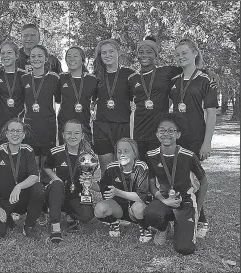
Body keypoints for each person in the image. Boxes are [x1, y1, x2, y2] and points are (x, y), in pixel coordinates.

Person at [170, 38, 218, 238]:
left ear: (195, 53)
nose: (181, 57)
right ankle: (189, 217)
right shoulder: (174, 80)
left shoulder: (206, 80)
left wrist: (207, 142)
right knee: (180, 180)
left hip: (196, 137)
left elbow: (211, 113)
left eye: (185, 53)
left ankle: (202, 218)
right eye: (178, 54)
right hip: (176, 139)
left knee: (197, 180)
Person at [144, 113, 208, 255]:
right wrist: (164, 200)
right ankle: (163, 228)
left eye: (171, 130)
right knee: (150, 213)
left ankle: (186, 223)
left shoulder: (189, 156)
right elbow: (151, 185)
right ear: (156, 133)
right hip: (165, 199)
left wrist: (198, 207)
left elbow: (204, 182)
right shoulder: (151, 156)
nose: (166, 134)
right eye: (162, 130)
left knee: (184, 248)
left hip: (185, 202)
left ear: (178, 134)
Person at [0, 118, 45, 240]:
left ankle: (29, 225)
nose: (15, 134)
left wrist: (19, 186)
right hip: (3, 200)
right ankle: (8, 217)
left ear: (23, 135)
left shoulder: (28, 150)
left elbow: (34, 176)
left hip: (22, 198)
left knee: (39, 189)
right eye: (12, 131)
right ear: (6, 134)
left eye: (18, 131)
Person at [128, 35, 184, 162]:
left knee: (161, 170)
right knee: (142, 169)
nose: (144, 55)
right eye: (141, 52)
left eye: (149, 52)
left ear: (156, 55)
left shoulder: (167, 71)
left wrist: (210, 74)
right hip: (139, 131)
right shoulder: (132, 78)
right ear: (137, 55)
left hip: (160, 131)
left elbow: (189, 68)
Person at [43, 119, 95, 243]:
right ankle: (55, 228)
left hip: (75, 194)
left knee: (87, 216)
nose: (72, 136)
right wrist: (55, 178)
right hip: (57, 193)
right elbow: (46, 166)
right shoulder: (56, 152)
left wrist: (88, 180)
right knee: (57, 185)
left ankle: (70, 215)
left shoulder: (88, 155)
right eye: (69, 133)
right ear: (63, 135)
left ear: (82, 135)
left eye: (76, 133)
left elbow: (89, 174)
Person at [94, 137, 152, 243]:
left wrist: (117, 192)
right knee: (99, 209)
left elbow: (141, 197)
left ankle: (145, 227)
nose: (122, 155)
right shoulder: (112, 167)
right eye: (119, 152)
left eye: (126, 151)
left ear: (134, 154)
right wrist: (87, 183)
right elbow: (100, 187)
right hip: (119, 209)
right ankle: (114, 222)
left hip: (136, 208)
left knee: (138, 208)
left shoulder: (141, 167)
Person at [92, 39, 136, 174]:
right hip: (101, 125)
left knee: (123, 167)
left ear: (118, 53)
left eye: (111, 51)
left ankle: (122, 194)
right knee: (107, 169)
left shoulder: (130, 74)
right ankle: (108, 195)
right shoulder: (96, 75)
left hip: (123, 125)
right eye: (103, 52)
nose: (107, 55)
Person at [21, 45, 60, 175]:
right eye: (33, 56)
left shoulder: (54, 78)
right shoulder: (24, 78)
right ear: (29, 59)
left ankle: (46, 191)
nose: (36, 59)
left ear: (46, 59)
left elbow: (61, 100)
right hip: (30, 127)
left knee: (46, 167)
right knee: (31, 165)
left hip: (47, 127)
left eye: (39, 56)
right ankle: (32, 192)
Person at [57, 47, 98, 145]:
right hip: (65, 126)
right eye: (68, 56)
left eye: (75, 56)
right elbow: (57, 99)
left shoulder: (92, 80)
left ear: (83, 59)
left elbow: (97, 100)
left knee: (85, 158)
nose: (71, 59)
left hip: (84, 126)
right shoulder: (60, 78)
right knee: (66, 157)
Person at [0, 40, 26, 145]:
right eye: (2, 53)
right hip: (1, 125)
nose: (5, 56)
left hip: (19, 124)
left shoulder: (25, 76)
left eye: (9, 52)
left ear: (16, 56)